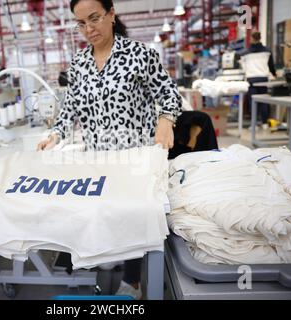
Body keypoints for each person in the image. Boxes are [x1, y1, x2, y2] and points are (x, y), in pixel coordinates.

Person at [36, 0, 182, 299]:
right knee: (105, 214)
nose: (88, 29)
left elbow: (169, 93)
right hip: (99, 159)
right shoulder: (78, 63)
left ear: (111, 14)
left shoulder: (140, 54)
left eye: (94, 19)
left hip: (135, 159)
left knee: (133, 217)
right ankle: (107, 266)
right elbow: (70, 108)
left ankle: (135, 281)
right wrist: (54, 133)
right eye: (80, 23)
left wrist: (166, 119)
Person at [240, 31, 277, 128]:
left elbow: (243, 68)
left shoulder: (245, 53)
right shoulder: (267, 51)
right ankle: (264, 123)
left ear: (251, 38)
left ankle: (254, 124)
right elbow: (271, 66)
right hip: (263, 78)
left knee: (253, 102)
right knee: (264, 101)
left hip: (251, 79)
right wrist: (274, 74)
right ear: (260, 38)